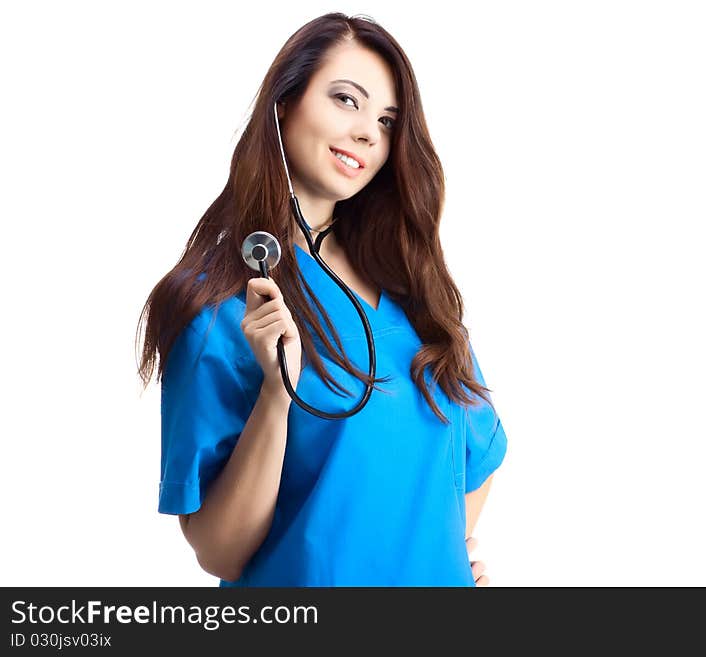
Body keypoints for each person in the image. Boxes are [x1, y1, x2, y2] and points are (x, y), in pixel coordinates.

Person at [137, 12, 507, 586]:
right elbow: (220, 552)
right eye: (346, 100)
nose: (368, 132)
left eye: (387, 121)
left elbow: (477, 454)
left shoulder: (410, 288)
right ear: (284, 101)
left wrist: (436, 558)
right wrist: (275, 395)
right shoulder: (220, 305)